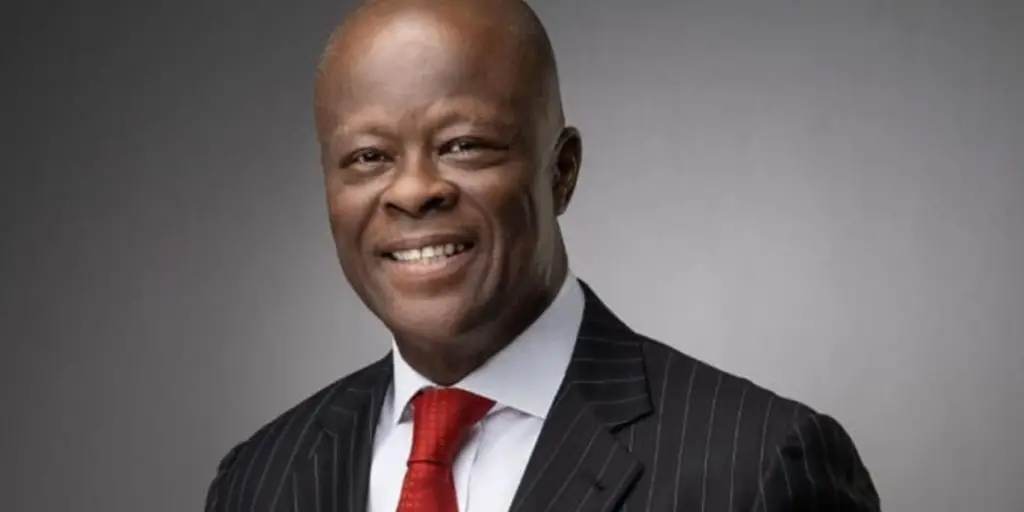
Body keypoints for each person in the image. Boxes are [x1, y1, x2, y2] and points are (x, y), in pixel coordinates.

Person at [204, 0, 880, 510]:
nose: (412, 191)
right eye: (368, 157)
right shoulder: (259, 480)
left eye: (463, 145)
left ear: (561, 171)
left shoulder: (760, 469)